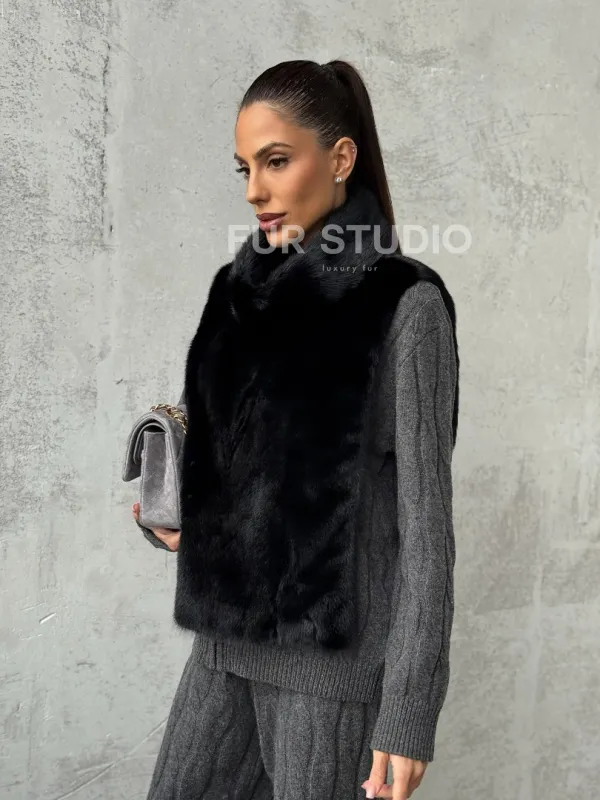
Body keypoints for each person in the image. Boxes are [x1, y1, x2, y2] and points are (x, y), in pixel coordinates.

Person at [132, 58, 459, 800]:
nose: (254, 189)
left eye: (276, 161)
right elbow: (235, 473)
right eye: (245, 167)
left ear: (340, 158)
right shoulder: (236, 294)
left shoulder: (405, 308)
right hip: (222, 649)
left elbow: (427, 532)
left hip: (331, 673)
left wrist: (409, 713)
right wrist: (181, 521)